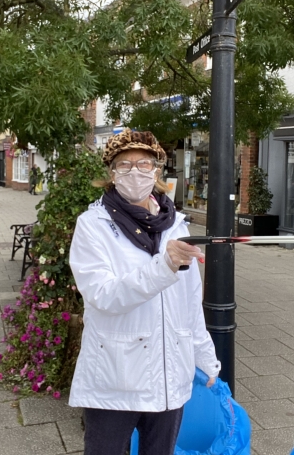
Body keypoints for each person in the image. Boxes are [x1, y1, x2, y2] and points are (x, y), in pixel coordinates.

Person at [69, 129, 221, 455]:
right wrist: (164, 266)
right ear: (111, 173)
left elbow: (190, 303)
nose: (135, 172)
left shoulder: (176, 224)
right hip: (115, 377)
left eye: (144, 163)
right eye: (124, 165)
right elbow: (104, 295)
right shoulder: (92, 225)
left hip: (169, 376)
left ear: (157, 171)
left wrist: (206, 358)